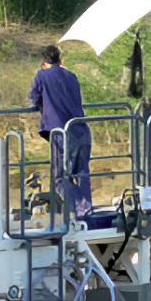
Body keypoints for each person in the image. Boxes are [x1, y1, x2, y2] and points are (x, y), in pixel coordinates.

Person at [28, 45, 92, 220]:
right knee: (81, 173)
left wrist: (43, 106)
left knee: (60, 177)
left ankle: (79, 209)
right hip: (81, 128)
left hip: (62, 132)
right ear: (59, 59)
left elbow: (33, 98)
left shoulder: (42, 75)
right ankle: (86, 210)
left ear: (43, 62)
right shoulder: (71, 76)